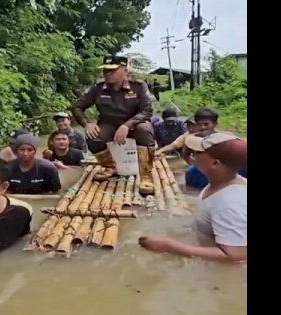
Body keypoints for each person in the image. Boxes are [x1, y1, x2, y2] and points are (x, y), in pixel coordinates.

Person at [139, 132, 247, 262]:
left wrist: (169, 246)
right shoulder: (220, 184)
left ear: (215, 163)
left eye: (198, 152)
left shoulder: (229, 204)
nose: (193, 154)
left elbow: (236, 255)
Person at [72, 55, 156, 195]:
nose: (108, 73)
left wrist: (127, 125)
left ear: (125, 70)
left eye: (113, 70)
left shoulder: (138, 86)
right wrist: (87, 123)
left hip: (134, 123)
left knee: (145, 130)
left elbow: (147, 110)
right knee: (94, 136)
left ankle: (146, 176)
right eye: (105, 70)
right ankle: (110, 167)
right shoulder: (97, 88)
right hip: (108, 123)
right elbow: (77, 107)